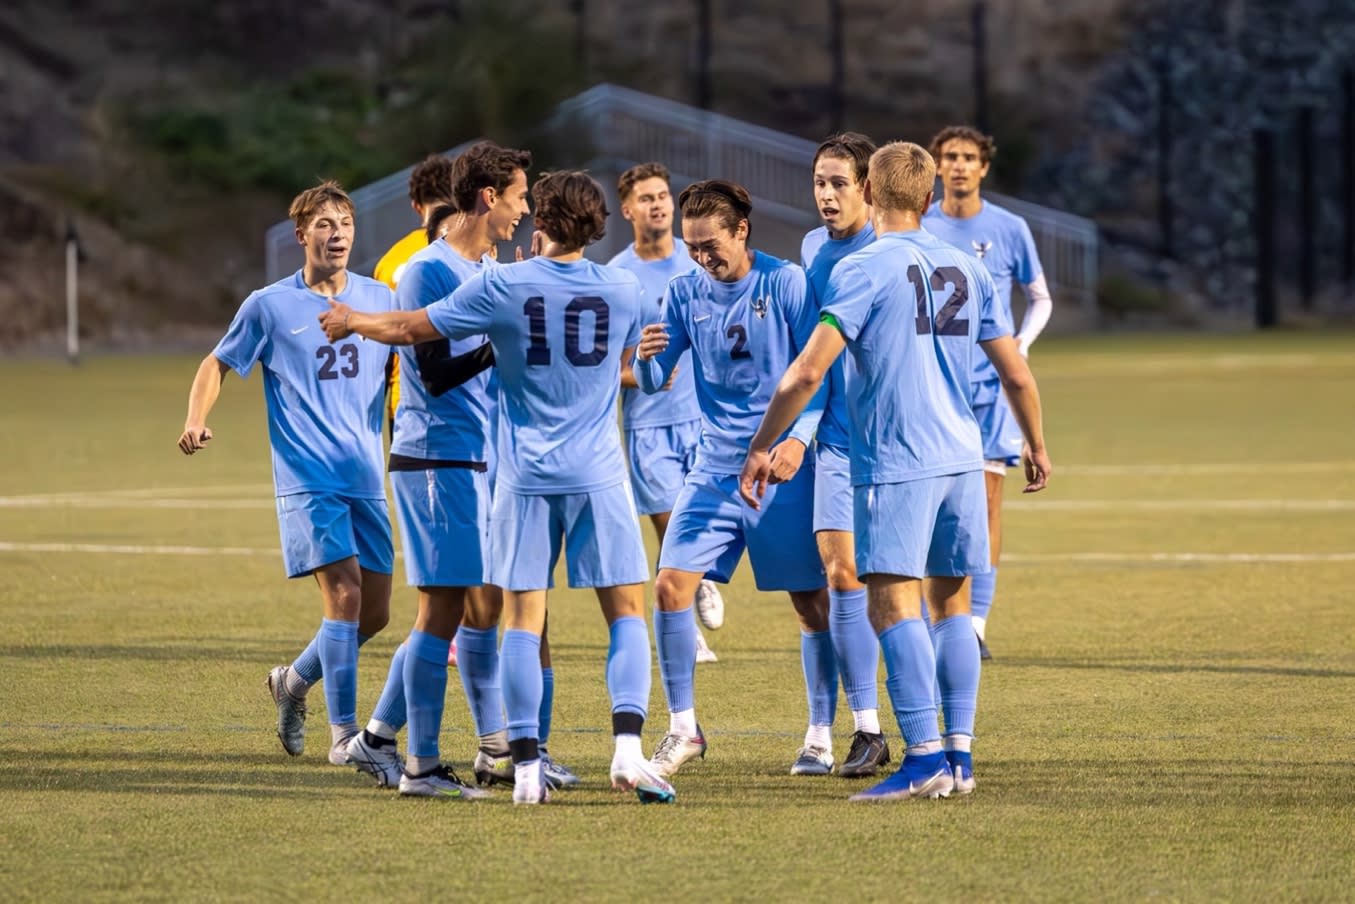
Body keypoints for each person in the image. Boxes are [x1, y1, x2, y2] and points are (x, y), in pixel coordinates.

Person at [319, 170, 675, 806]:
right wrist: (648, 362)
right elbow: (641, 374)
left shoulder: (505, 284)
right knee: (625, 613)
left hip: (523, 477)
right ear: (599, 225)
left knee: (520, 620)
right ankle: (627, 749)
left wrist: (353, 321)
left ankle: (526, 766)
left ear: (544, 220)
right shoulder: (625, 288)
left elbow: (410, 330)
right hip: (597, 475)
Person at [739, 142, 1051, 801]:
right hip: (963, 459)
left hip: (896, 463)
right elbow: (1016, 371)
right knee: (951, 604)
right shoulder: (965, 264)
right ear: (932, 198)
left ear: (871, 194)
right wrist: (1035, 444)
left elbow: (805, 372)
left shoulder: (863, 266)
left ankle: (922, 759)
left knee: (889, 601)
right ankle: (959, 760)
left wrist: (763, 443)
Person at [177, 180, 395, 770]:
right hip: (308, 477)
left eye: (345, 223)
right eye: (325, 224)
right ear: (302, 236)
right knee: (345, 597)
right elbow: (216, 364)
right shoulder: (268, 305)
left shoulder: (380, 299)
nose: (338, 233)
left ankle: (293, 682)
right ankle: (345, 736)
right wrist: (197, 418)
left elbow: (412, 365)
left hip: (365, 478)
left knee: (375, 612)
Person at [341, 141, 532, 799]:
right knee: (441, 611)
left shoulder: (482, 267)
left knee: (467, 609)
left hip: (474, 459)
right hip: (431, 457)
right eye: (518, 197)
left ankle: (399, 742)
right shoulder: (426, 271)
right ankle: (418, 765)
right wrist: (499, 340)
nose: (524, 209)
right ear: (487, 198)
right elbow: (434, 373)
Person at [633, 179, 832, 778]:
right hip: (714, 468)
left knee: (810, 605)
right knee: (670, 588)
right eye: (690, 246)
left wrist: (797, 440)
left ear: (741, 231)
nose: (700, 256)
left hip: (781, 471)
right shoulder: (682, 291)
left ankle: (820, 733)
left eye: (709, 244)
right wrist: (645, 360)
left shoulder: (788, 282)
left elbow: (817, 375)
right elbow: (654, 379)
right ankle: (683, 728)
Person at [921, 126, 1053, 660]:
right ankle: (937, 617)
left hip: (987, 387)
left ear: (983, 168)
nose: (957, 165)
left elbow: (1039, 298)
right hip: (932, 385)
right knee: (934, 505)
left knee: (986, 502)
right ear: (934, 166)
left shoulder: (1009, 227)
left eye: (967, 158)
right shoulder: (918, 226)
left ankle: (974, 622)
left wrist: (1017, 346)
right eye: (949, 157)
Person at [799, 132, 890, 778]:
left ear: (866, 187)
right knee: (839, 576)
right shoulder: (809, 249)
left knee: (903, 587)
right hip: (831, 437)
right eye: (819, 183)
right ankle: (865, 728)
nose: (826, 196)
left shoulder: (887, 252)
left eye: (838, 183)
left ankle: (938, 729)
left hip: (891, 442)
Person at [609, 161, 721, 664]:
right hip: (648, 425)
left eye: (663, 195)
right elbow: (606, 366)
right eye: (646, 197)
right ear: (628, 209)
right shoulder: (615, 277)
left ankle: (699, 581)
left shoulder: (697, 261)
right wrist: (641, 373)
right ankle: (688, 623)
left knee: (701, 522)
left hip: (703, 418)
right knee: (670, 527)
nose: (657, 204)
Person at [373, 155, 457, 435]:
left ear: (416, 205)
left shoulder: (390, 261)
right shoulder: (472, 251)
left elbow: (382, 346)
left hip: (405, 400)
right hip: (466, 400)